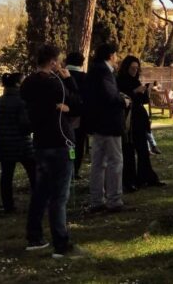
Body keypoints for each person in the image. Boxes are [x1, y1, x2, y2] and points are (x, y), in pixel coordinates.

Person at [20, 44, 81, 258]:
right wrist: (67, 79)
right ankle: (61, 244)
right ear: (53, 61)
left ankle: (34, 236)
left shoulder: (27, 83)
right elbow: (77, 101)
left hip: (41, 142)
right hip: (60, 140)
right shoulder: (55, 83)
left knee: (41, 193)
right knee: (59, 196)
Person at [86, 43, 129, 212]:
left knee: (98, 163)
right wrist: (123, 101)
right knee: (115, 162)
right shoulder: (104, 72)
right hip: (109, 123)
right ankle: (114, 199)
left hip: (96, 123)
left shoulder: (92, 71)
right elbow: (109, 96)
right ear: (111, 55)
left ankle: (96, 199)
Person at [117, 56, 164, 190]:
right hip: (129, 119)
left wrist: (144, 92)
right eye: (132, 68)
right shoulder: (120, 80)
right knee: (129, 151)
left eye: (137, 68)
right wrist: (134, 91)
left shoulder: (136, 80)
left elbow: (143, 101)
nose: (135, 70)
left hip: (139, 118)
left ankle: (146, 177)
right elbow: (122, 97)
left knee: (143, 150)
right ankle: (130, 180)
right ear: (127, 67)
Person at [0, 72, 35, 214]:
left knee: (6, 175)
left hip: (4, 142)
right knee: (33, 173)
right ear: (18, 84)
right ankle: (38, 201)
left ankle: (7, 205)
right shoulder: (22, 101)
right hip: (22, 143)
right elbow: (25, 123)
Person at [64, 52, 88, 180]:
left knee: (65, 144)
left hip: (62, 115)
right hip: (79, 116)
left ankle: (64, 167)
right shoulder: (84, 77)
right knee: (77, 144)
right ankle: (74, 169)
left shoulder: (59, 75)